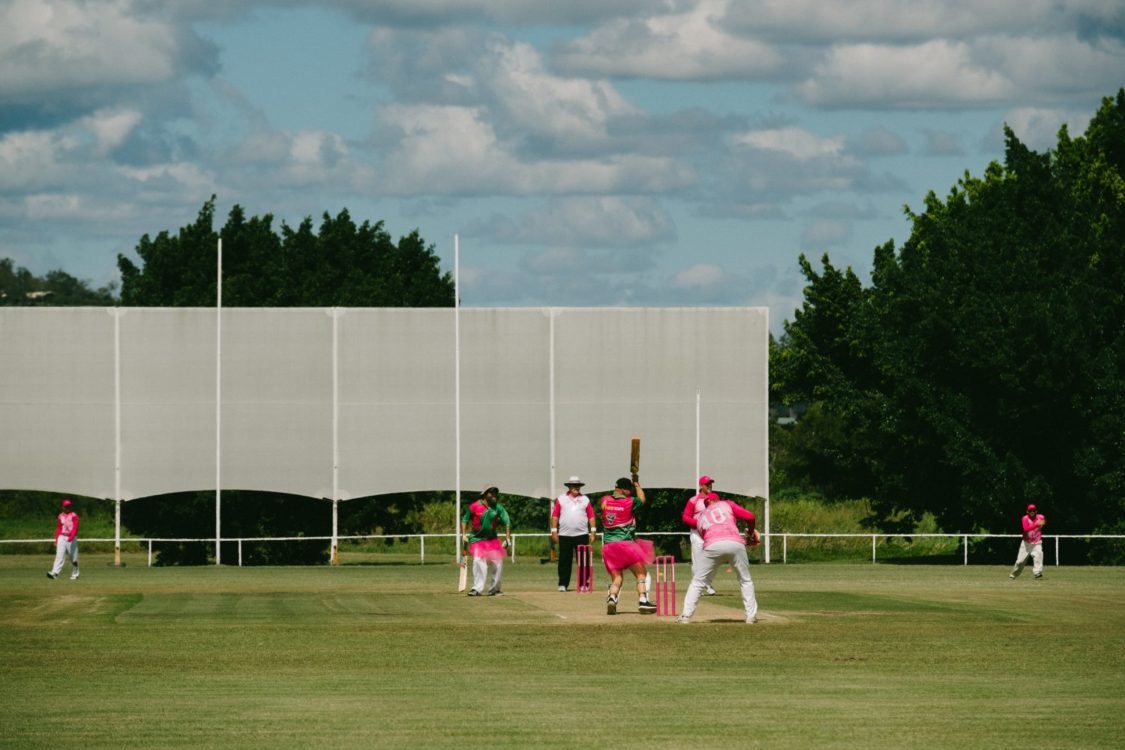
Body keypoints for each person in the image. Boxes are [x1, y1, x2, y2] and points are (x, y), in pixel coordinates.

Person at [676, 493, 760, 624]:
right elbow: (750, 516)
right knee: (745, 580)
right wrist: (749, 534)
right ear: (717, 500)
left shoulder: (701, 517)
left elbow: (705, 536)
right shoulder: (728, 504)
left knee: (698, 581)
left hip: (712, 545)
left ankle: (686, 616)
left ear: (706, 504)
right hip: (735, 543)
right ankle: (751, 616)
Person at [599, 477, 657, 615]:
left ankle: (612, 598)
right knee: (641, 574)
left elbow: (608, 506)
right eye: (629, 490)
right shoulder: (629, 502)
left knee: (617, 578)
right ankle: (643, 600)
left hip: (609, 547)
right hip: (626, 545)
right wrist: (637, 485)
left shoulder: (605, 500)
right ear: (625, 490)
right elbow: (642, 499)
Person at [461, 485, 512, 596]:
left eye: (495, 493)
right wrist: (463, 534)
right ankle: (476, 589)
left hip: (491, 540)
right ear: (484, 494)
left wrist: (508, 538)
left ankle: (494, 590)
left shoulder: (498, 507)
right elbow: (464, 519)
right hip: (477, 539)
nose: (494, 495)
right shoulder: (475, 506)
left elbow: (507, 521)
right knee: (479, 562)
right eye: (491, 493)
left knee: (498, 563)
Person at [550, 476, 597, 592]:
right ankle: (563, 584)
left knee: (583, 561)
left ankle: (583, 584)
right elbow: (555, 516)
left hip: (582, 534)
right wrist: (554, 531)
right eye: (574, 486)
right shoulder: (561, 499)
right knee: (564, 561)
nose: (576, 488)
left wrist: (593, 531)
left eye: (578, 486)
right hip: (565, 535)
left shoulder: (585, 499)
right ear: (569, 487)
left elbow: (591, 516)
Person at [682, 475, 719, 596]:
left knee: (714, 560)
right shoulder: (693, 500)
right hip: (697, 534)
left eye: (710, 484)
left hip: (711, 534)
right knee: (697, 561)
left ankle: (707, 583)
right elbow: (685, 517)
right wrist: (698, 524)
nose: (709, 486)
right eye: (707, 484)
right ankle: (698, 586)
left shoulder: (715, 499)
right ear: (701, 486)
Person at [1010, 503, 1047, 579]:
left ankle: (1037, 572)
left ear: (1036, 511)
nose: (1032, 512)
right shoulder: (1025, 518)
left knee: (1038, 554)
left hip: (1037, 542)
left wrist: (1043, 522)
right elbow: (1026, 529)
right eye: (1030, 510)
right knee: (1020, 561)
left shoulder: (1040, 517)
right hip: (1026, 543)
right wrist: (1036, 525)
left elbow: (1044, 521)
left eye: (1033, 510)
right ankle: (1013, 575)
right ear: (1027, 511)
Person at [47, 498, 80, 580]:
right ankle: (55, 573)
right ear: (63, 507)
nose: (68, 507)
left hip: (71, 538)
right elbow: (58, 528)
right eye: (66, 506)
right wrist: (56, 539)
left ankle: (75, 574)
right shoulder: (60, 516)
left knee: (73, 558)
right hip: (62, 537)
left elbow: (75, 527)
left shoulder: (74, 515)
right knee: (59, 556)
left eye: (69, 506)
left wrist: (71, 537)